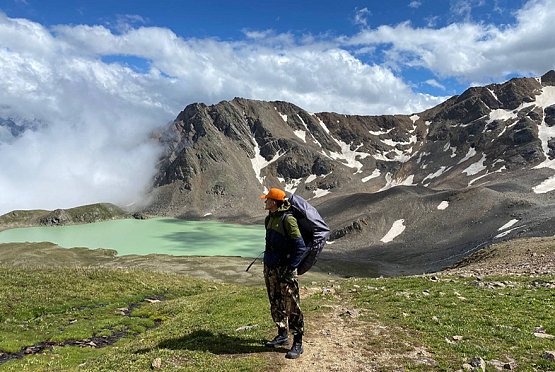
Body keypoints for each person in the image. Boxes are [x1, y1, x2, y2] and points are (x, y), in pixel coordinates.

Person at [260, 188, 308, 359]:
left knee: (292, 304)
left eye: (267, 200)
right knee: (275, 300)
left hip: (285, 269)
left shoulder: (288, 220)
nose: (265, 202)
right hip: (271, 267)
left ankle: (298, 342)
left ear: (274, 202)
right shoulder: (269, 219)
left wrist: (291, 267)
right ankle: (282, 334)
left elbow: (300, 246)